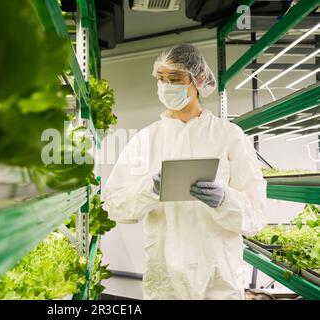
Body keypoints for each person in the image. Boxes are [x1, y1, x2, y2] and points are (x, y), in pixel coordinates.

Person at [103, 44, 267, 300]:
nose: (167, 86)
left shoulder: (228, 136)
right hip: (165, 278)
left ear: (198, 80)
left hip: (217, 277)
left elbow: (256, 214)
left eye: (176, 79)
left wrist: (225, 200)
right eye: (161, 79)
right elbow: (115, 205)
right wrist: (149, 189)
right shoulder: (146, 138)